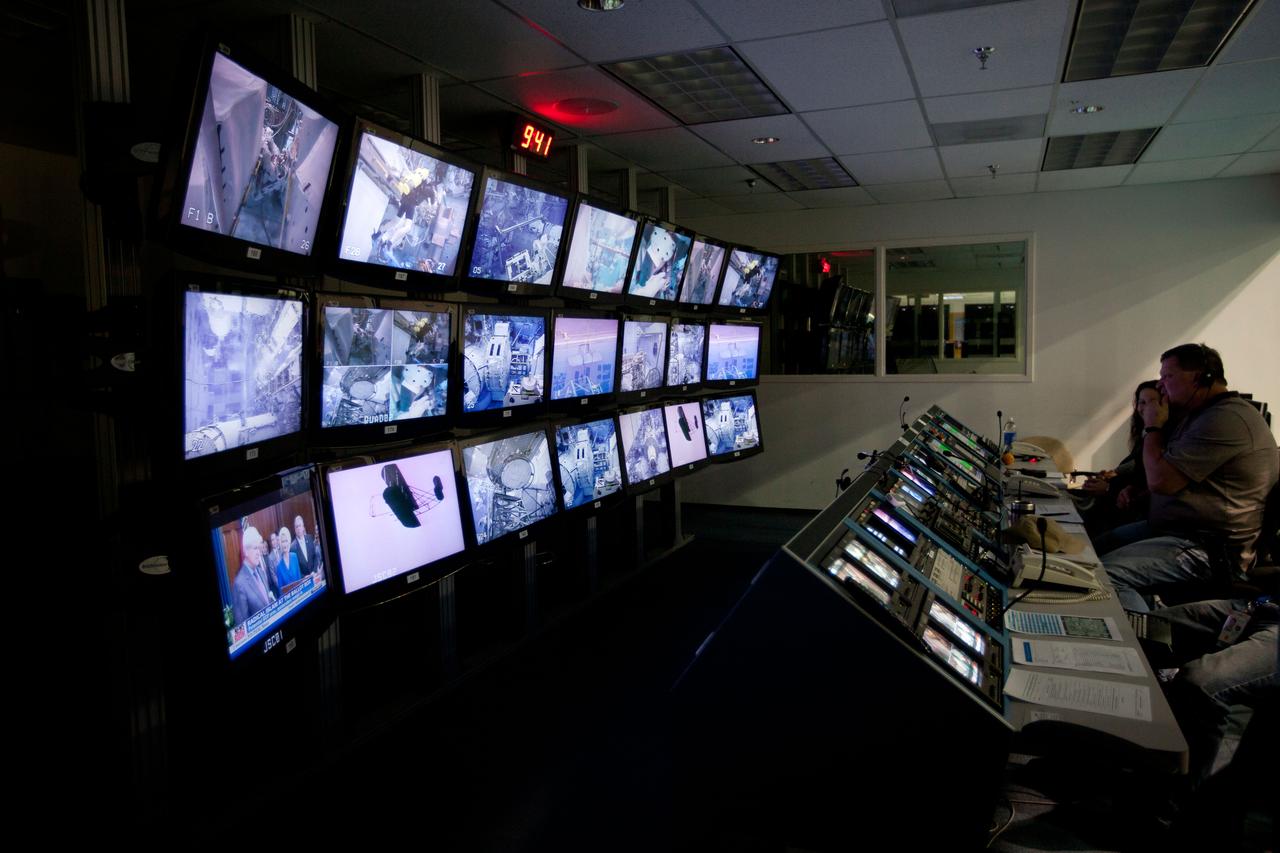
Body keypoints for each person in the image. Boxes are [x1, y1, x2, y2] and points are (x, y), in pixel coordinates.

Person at [1102, 344, 1278, 612]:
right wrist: (1142, 495)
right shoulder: (1202, 415)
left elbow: (1163, 481)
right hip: (1177, 531)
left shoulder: (1226, 418)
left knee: (1102, 576)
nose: (1161, 386)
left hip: (1209, 548)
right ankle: (1152, 611)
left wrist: (1152, 426)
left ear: (1201, 377)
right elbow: (1183, 479)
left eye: (1168, 377)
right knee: (1091, 551)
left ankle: (1141, 645)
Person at [1081, 380, 1160, 542]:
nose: (1146, 408)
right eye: (1142, 402)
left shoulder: (1160, 436)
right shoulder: (1145, 435)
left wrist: (1109, 489)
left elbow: (1147, 486)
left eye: (1153, 402)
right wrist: (1111, 475)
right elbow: (1132, 466)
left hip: (1142, 515)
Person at [231, 526, 274, 625]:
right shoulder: (239, 584)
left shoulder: (261, 572)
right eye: (255, 548)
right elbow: (242, 626)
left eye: (260, 548)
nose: (259, 552)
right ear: (246, 551)